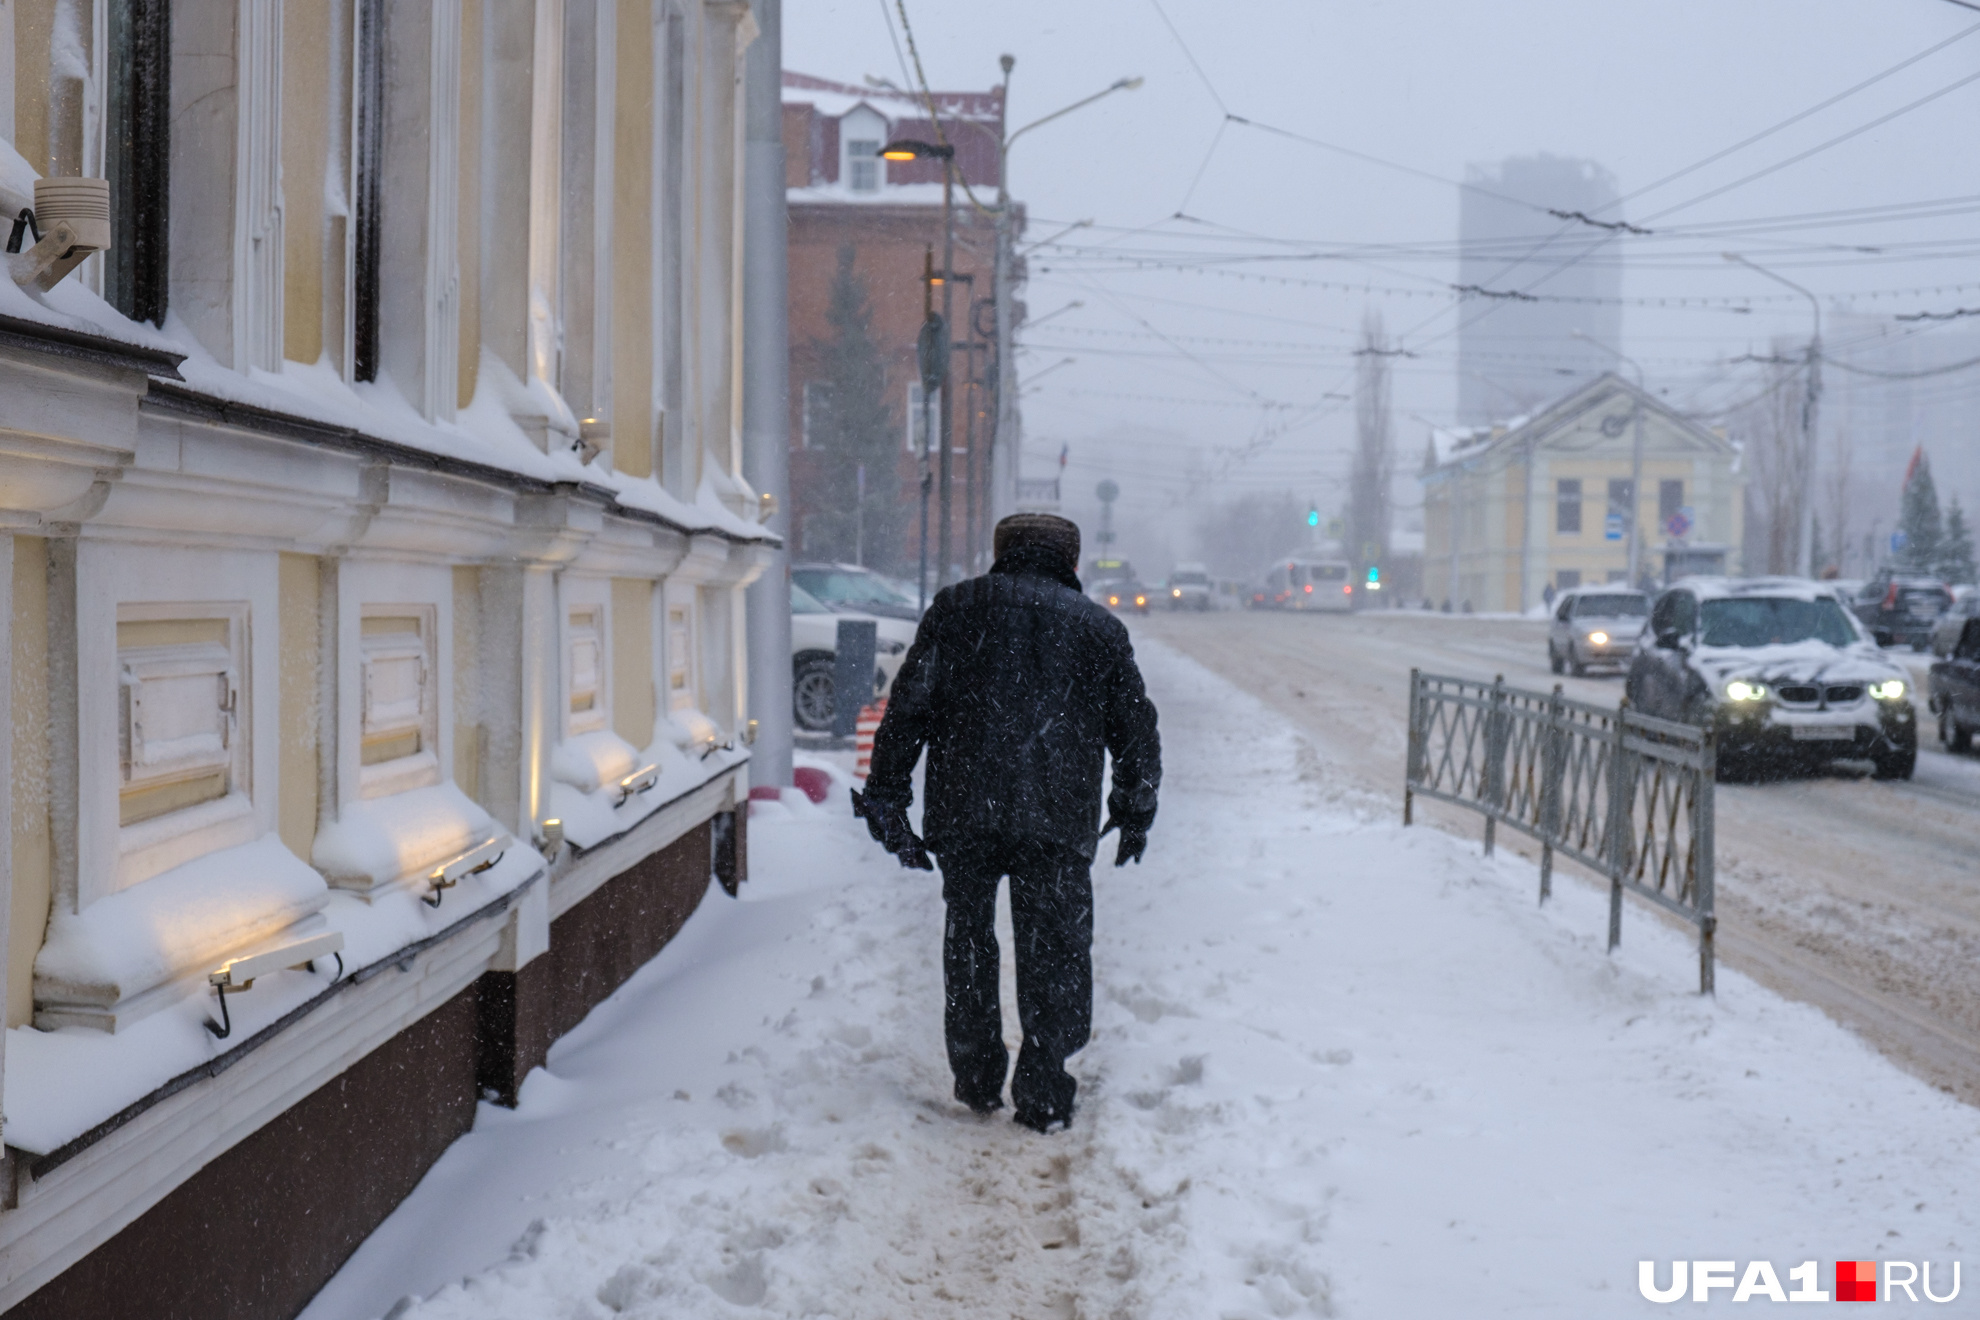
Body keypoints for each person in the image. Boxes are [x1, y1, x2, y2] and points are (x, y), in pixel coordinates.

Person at [853, 513, 1161, 1133]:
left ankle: (975, 1075)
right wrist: (1134, 806)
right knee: (1056, 950)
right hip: (1057, 814)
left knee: (968, 937)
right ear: (1071, 560)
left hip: (965, 809)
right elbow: (1135, 729)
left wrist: (887, 793)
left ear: (1000, 551)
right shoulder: (1099, 629)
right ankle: (1045, 1088)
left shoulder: (956, 608)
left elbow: (908, 707)